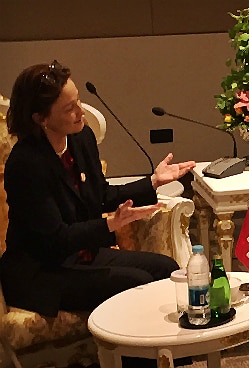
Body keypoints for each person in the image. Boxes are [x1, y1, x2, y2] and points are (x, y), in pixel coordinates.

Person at [0, 60, 197, 320]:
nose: (80, 112)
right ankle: (126, 359)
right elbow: (56, 239)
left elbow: (101, 195)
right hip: (42, 271)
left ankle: (166, 358)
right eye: (69, 109)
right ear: (40, 119)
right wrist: (109, 226)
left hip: (82, 256)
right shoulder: (26, 164)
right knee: (134, 282)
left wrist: (153, 182)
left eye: (78, 101)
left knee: (165, 269)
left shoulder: (81, 139)